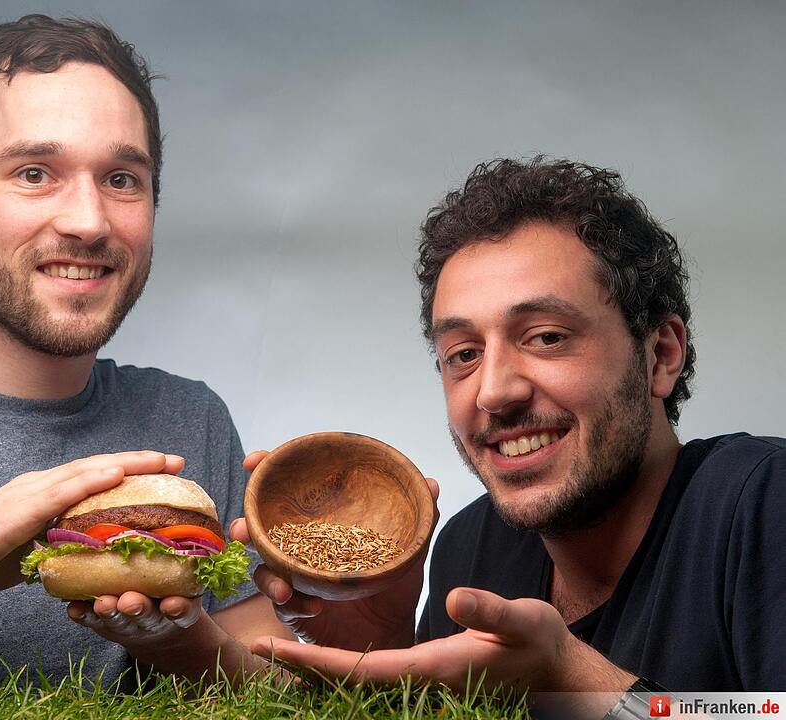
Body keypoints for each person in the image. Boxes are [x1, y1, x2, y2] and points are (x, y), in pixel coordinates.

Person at [0, 14, 288, 713]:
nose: (88, 220)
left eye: (121, 178)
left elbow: (279, 697)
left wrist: (181, 644)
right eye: (34, 173)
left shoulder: (188, 419)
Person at [231, 157, 786, 713]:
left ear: (660, 355)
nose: (493, 392)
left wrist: (571, 676)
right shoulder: (469, 549)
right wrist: (383, 651)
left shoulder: (763, 502)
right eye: (464, 354)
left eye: (546, 337)